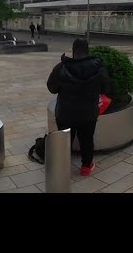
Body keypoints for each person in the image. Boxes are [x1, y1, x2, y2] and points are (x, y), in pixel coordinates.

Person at [46, 39, 110, 177]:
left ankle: (62, 167)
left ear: (74, 50)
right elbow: (106, 89)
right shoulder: (99, 68)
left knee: (65, 140)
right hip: (88, 113)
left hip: (65, 113)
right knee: (87, 139)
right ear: (87, 50)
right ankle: (86, 167)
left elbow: (52, 88)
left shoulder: (61, 67)